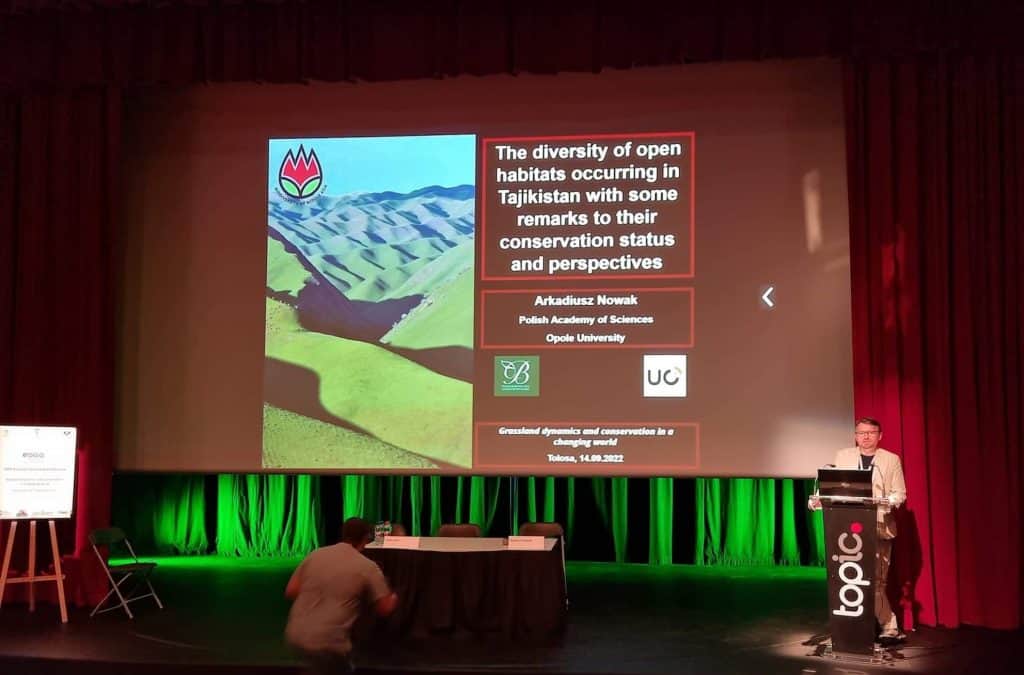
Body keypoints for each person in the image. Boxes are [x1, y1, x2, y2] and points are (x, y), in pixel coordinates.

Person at [809, 417, 907, 640]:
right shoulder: (843, 456)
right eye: (861, 433)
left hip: (879, 526)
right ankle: (852, 628)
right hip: (848, 529)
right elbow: (834, 486)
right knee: (849, 579)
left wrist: (888, 501)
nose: (866, 437)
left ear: (880, 435)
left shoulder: (891, 460)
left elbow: (900, 493)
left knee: (877, 581)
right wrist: (818, 499)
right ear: (855, 436)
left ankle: (889, 626)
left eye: (871, 432)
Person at [285, 517, 399, 674]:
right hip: (328, 642)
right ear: (366, 538)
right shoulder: (368, 567)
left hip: (295, 634)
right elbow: (385, 608)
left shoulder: (316, 554)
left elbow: (291, 590)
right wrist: (395, 596)